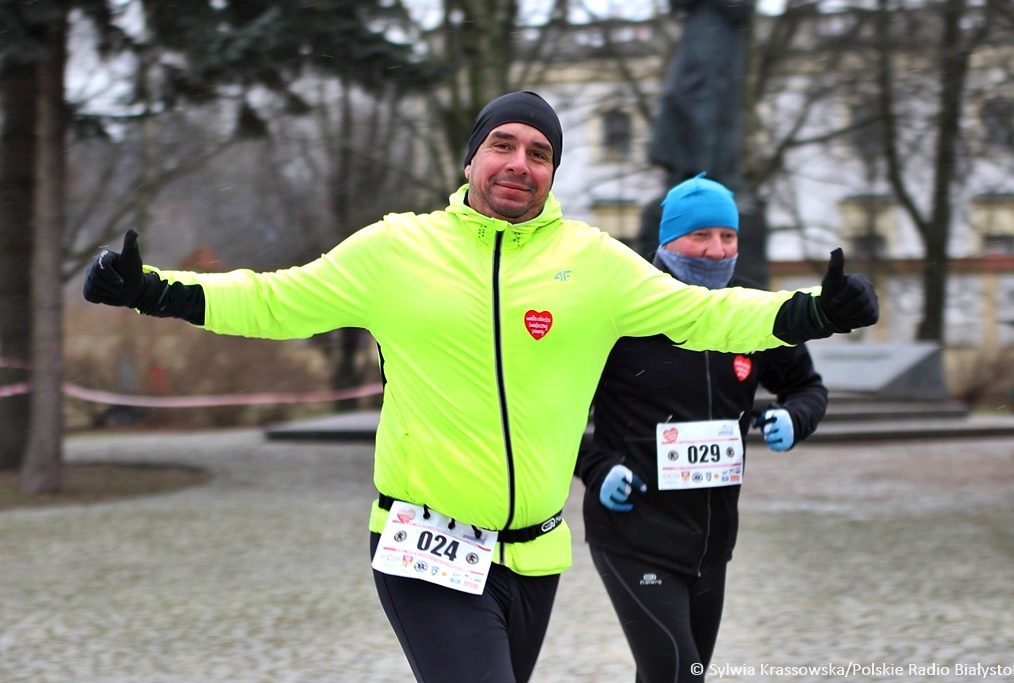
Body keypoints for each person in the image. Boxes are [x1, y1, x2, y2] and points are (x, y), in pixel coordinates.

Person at [82, 91, 877, 683]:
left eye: (540, 153)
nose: (520, 163)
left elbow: (704, 314)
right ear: (471, 159)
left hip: (534, 553)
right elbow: (274, 300)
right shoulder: (397, 250)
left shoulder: (592, 261)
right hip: (425, 543)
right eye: (503, 144)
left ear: (552, 174)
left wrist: (813, 311)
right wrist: (152, 291)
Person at [576, 174, 830, 683]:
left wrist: (794, 417)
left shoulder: (752, 311)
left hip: (711, 539)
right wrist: (597, 468)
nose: (717, 250)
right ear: (668, 240)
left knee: (679, 672)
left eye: (728, 236)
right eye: (700, 236)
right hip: (634, 533)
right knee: (677, 673)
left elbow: (807, 387)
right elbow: (548, 409)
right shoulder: (622, 309)